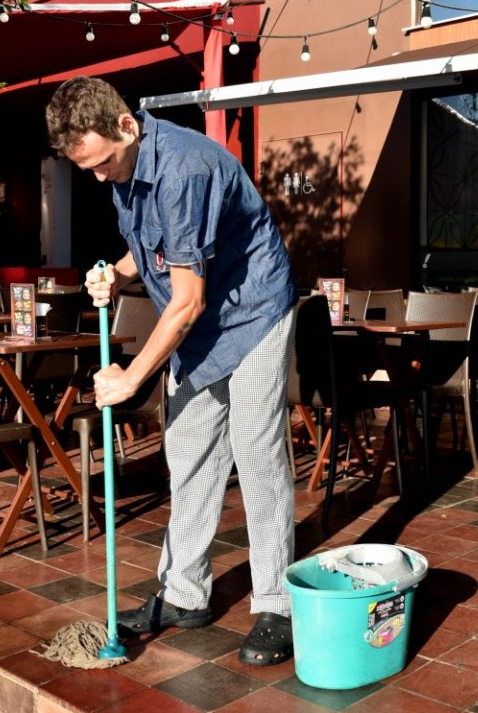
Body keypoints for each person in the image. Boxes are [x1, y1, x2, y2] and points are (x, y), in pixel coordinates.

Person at [45, 75, 298, 666]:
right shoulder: (126, 170)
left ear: (127, 126)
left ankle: (278, 605)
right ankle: (185, 594)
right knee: (188, 448)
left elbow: (186, 302)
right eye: (85, 168)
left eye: (101, 162)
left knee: (257, 450)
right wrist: (121, 272)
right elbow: (154, 245)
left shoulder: (186, 169)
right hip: (205, 319)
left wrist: (131, 379)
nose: (97, 176)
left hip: (255, 311)